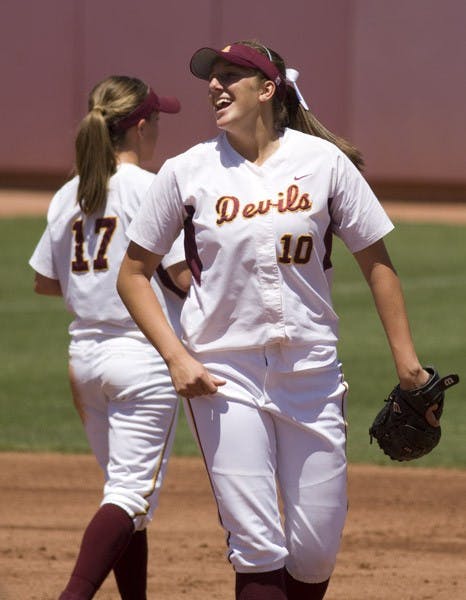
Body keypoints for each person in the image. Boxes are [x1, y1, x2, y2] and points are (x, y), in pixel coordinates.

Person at [116, 42, 439, 600]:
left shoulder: (323, 163)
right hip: (222, 374)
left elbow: (377, 265)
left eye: (230, 76)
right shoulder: (187, 171)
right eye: (211, 78)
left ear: (267, 89)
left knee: (315, 552)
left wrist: (409, 368)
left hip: (311, 373)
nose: (215, 86)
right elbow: (133, 272)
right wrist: (177, 356)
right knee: (258, 544)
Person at [29, 75, 190, 600]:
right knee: (128, 497)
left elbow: (45, 282)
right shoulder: (152, 186)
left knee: (123, 497)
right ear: (141, 126)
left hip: (85, 363)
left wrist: (96, 286)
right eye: (158, 121)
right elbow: (183, 276)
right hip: (143, 360)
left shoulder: (68, 193)